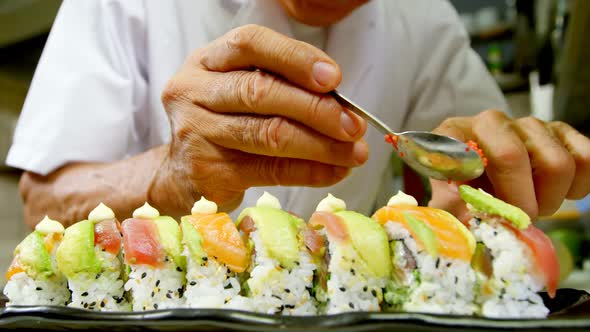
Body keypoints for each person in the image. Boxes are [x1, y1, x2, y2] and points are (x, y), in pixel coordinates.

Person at [7, 0, 590, 228]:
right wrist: (171, 174)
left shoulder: (423, 18)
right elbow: (44, 196)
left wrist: (487, 180)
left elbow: (474, 174)